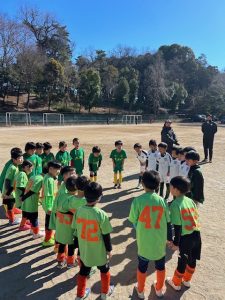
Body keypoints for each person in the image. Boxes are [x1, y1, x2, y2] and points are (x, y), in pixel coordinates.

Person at [129, 171, 172, 298]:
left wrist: (139, 228)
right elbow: (168, 221)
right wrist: (169, 238)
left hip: (144, 241)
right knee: (160, 265)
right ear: (158, 185)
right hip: (159, 240)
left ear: (142, 183)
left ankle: (141, 291)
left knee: (142, 266)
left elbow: (133, 220)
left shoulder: (137, 200)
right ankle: (159, 289)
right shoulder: (162, 201)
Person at [72, 182, 114, 300]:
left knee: (83, 271)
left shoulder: (79, 211)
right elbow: (106, 234)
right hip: (99, 250)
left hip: (85, 249)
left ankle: (80, 295)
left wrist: (78, 250)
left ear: (85, 195)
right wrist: (109, 249)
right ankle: (104, 293)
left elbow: (76, 232)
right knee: (104, 270)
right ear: (99, 197)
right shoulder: (101, 214)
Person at [167, 176, 201, 291]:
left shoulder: (175, 204)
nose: (170, 188)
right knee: (192, 259)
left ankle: (176, 283)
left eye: (170, 186)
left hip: (185, 238)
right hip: (197, 234)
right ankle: (186, 280)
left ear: (176, 189)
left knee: (182, 261)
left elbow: (177, 227)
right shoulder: (190, 200)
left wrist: (176, 243)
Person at [55, 176, 87, 269]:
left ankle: (60, 261)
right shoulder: (72, 199)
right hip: (69, 226)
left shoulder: (61, 195)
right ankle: (70, 262)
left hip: (60, 225)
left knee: (62, 244)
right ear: (76, 188)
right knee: (71, 245)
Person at [42, 161, 61, 247]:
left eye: (59, 169)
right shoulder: (49, 179)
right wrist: (49, 208)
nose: (59, 171)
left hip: (48, 204)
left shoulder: (48, 176)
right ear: (50, 169)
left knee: (49, 222)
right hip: (50, 205)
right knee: (50, 223)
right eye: (57, 169)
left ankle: (49, 238)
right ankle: (47, 240)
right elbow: (49, 195)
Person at [20, 172, 45, 239]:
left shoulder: (34, 176)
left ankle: (32, 230)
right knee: (34, 218)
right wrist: (23, 197)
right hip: (31, 200)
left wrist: (23, 197)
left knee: (28, 216)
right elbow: (33, 191)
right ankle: (36, 234)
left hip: (26, 201)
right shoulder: (41, 179)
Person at [2, 151, 23, 225]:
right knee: (10, 205)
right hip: (9, 190)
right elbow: (7, 180)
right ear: (14, 159)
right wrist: (8, 192)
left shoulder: (15, 166)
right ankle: (12, 220)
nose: (21, 159)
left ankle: (11, 218)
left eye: (21, 157)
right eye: (19, 158)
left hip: (11, 190)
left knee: (11, 204)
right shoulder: (12, 168)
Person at [15, 160, 33, 230]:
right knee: (25, 212)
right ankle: (22, 225)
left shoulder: (22, 173)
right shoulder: (22, 174)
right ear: (26, 167)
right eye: (31, 168)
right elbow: (20, 186)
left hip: (22, 197)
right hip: (22, 197)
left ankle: (26, 222)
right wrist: (24, 195)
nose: (31, 170)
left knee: (26, 211)